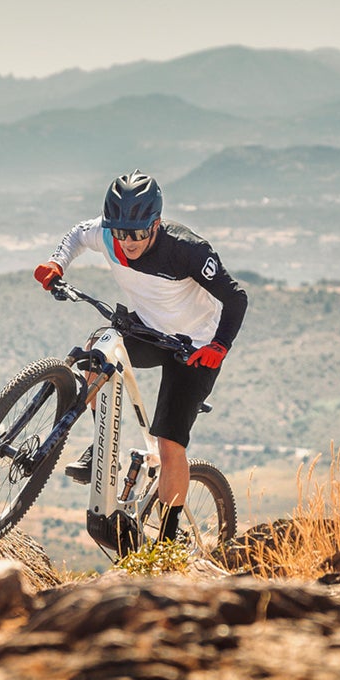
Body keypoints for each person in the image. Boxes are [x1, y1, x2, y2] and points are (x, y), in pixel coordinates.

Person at [33, 170, 248, 543]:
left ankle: (167, 540)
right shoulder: (109, 234)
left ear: (156, 224)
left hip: (194, 348)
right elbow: (76, 236)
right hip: (148, 330)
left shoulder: (188, 250)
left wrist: (219, 346)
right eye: (120, 232)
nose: (127, 242)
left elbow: (236, 298)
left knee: (169, 444)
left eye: (137, 233)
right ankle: (101, 450)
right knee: (98, 350)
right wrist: (57, 263)